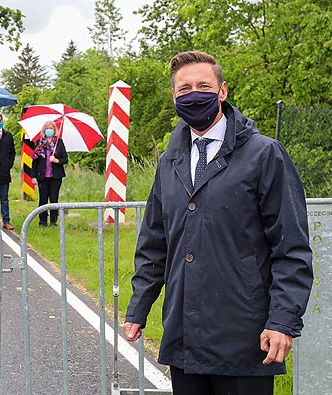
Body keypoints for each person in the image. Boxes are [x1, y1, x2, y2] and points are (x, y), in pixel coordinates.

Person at [124, 51, 313, 395]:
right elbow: (154, 243)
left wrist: (283, 321)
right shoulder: (170, 162)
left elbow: (292, 250)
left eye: (203, 86)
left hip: (244, 338)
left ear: (222, 91)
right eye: (184, 89)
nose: (193, 94)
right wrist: (139, 307)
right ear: (174, 96)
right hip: (184, 337)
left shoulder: (264, 154)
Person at [30, 121, 68, 227]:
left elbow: (65, 159)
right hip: (42, 176)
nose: (49, 130)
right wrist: (33, 176)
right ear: (44, 130)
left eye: (51, 128)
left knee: (54, 198)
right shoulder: (39, 143)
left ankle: (53, 221)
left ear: (54, 130)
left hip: (55, 176)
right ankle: (42, 221)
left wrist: (56, 160)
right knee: (43, 198)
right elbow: (35, 161)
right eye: (47, 128)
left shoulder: (59, 143)